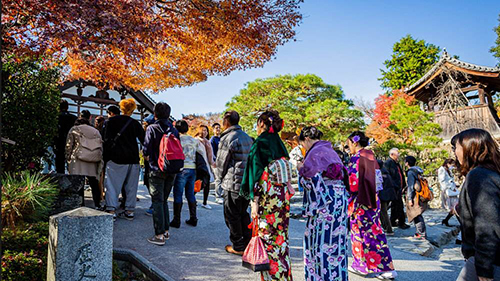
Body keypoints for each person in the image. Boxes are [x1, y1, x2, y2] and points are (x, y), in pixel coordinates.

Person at [241, 110, 292, 281]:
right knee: (281, 239)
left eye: (257, 124)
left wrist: (254, 202)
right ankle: (284, 276)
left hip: (267, 198)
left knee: (267, 238)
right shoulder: (279, 143)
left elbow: (255, 174)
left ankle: (271, 277)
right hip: (282, 198)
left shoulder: (261, 143)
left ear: (262, 124)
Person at [297, 126, 349, 281]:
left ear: (306, 139)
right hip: (340, 199)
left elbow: (311, 181)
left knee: (320, 242)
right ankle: (337, 277)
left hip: (324, 202)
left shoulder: (314, 153)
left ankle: (320, 277)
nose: (303, 148)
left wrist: (301, 169)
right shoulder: (331, 151)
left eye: (302, 144)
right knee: (337, 242)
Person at [346, 131, 396, 280]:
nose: (348, 147)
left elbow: (353, 184)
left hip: (360, 201)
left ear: (355, 142)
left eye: (349, 144)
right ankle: (362, 265)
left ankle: (385, 268)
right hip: (372, 199)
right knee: (370, 233)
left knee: (365, 234)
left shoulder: (356, 158)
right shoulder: (369, 155)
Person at [452, 129, 500, 281]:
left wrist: (484, 268)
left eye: (456, 147)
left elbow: (487, 224)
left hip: (489, 260)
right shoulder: (492, 171)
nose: (454, 152)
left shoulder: (478, 176)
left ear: (468, 148)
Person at [214, 111, 253, 255]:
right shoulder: (247, 137)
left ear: (226, 122)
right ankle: (248, 242)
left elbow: (221, 163)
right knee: (243, 213)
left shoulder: (228, 138)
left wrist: (219, 179)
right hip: (246, 182)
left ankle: (238, 245)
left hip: (233, 182)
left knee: (231, 215)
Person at [143, 102, 179, 246]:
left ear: (155, 114)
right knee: (164, 199)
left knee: (157, 201)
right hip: (172, 169)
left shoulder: (152, 128)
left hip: (156, 169)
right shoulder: (174, 130)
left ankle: (159, 235)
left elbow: (146, 150)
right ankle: (165, 231)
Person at [103, 98, 145, 220]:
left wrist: (106, 156)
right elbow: (144, 140)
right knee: (131, 186)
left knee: (112, 185)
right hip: (133, 158)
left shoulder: (110, 122)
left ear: (121, 108)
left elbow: (105, 140)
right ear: (132, 110)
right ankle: (129, 210)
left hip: (115, 157)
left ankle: (111, 210)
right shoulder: (135, 123)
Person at [170, 120, 205, 228]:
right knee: (190, 193)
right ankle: (193, 218)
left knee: (178, 194)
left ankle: (176, 220)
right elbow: (201, 153)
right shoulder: (194, 140)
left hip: (181, 169)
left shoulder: (177, 140)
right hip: (193, 169)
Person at [66, 117, 103, 208]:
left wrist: (68, 157)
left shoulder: (74, 129)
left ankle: (81, 204)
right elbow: (101, 146)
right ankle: (97, 204)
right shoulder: (95, 131)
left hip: (78, 159)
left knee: (79, 182)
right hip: (93, 159)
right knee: (94, 183)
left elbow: (69, 145)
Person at [384, 148, 410, 230]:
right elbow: (388, 176)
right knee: (398, 205)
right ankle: (401, 222)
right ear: (392, 154)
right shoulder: (388, 163)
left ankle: (393, 221)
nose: (398, 155)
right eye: (397, 153)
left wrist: (404, 185)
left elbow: (400, 175)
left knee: (396, 206)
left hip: (398, 187)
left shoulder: (396, 163)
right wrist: (394, 186)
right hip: (393, 188)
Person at [404, 156, 427, 239]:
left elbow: (410, 186)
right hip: (420, 194)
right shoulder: (417, 170)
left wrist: (410, 199)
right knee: (418, 213)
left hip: (415, 196)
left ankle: (421, 233)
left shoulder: (410, 172)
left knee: (416, 214)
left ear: (407, 163)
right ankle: (421, 232)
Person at [194, 125, 215, 210]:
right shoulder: (195, 141)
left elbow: (210, 155)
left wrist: (212, 162)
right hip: (199, 166)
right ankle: (191, 197)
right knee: (200, 183)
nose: (204, 132)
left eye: (206, 131)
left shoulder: (207, 142)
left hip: (207, 165)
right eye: (202, 130)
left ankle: (204, 202)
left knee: (206, 184)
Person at [55, 99, 77, 173]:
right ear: (67, 107)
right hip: (71, 142)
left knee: (59, 162)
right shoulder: (74, 118)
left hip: (58, 141)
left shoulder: (56, 117)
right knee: (71, 162)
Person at [377, 159, 397, 235]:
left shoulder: (380, 173)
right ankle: (386, 227)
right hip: (388, 195)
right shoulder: (385, 172)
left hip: (383, 195)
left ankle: (389, 229)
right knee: (383, 212)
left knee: (384, 212)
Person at [437, 159, 459, 227]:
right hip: (448, 191)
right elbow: (442, 181)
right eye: (452, 165)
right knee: (455, 207)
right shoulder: (442, 170)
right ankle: (461, 222)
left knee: (455, 207)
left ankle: (446, 220)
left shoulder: (448, 170)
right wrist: (451, 187)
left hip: (452, 190)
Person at [211, 122, 224, 204]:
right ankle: (217, 196)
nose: (218, 129)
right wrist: (214, 161)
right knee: (218, 179)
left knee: (222, 178)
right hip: (215, 162)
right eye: (216, 128)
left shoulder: (222, 138)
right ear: (213, 130)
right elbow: (211, 152)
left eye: (219, 127)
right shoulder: (213, 139)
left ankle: (220, 193)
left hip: (222, 161)